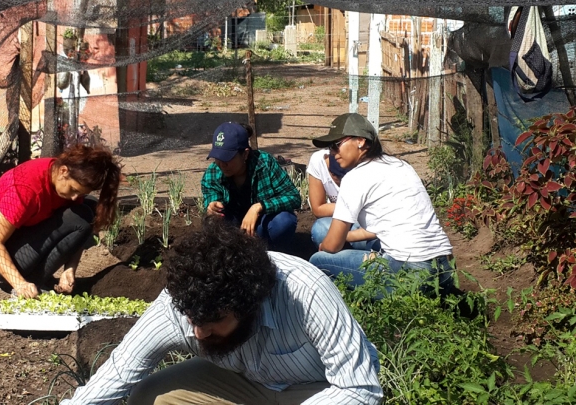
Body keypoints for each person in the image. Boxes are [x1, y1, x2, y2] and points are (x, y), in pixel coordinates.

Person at [62, 216, 383, 404]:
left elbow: (360, 387)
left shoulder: (305, 291)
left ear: (250, 303)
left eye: (214, 321)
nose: (198, 332)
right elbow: (121, 370)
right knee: (151, 396)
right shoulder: (181, 304)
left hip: (315, 391)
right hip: (242, 381)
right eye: (192, 319)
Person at [308, 113, 455, 291]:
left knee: (318, 261)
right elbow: (380, 227)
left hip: (412, 273)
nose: (332, 153)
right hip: (445, 268)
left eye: (336, 145)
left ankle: (355, 309)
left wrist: (326, 245)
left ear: (360, 141)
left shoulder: (355, 177)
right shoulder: (401, 166)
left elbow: (332, 246)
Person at [0, 144, 121, 298]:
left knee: (89, 206)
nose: (74, 197)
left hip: (20, 237)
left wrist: (69, 269)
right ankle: (33, 281)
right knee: (81, 215)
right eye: (73, 190)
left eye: (78, 193)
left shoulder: (59, 174)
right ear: (63, 171)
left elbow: (79, 229)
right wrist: (19, 283)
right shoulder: (26, 188)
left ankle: (35, 277)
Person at [202, 122, 300, 250]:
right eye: (217, 158)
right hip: (233, 230)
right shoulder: (213, 172)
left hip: (261, 227)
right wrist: (212, 206)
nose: (221, 164)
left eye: (227, 158)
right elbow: (212, 199)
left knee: (284, 221)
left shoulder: (265, 163)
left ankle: (273, 253)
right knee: (211, 223)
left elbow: (293, 197)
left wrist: (259, 207)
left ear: (245, 154)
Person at [306, 142, 380, 251]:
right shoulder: (319, 160)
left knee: (373, 242)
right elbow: (318, 209)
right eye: (335, 176)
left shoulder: (369, 169)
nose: (338, 181)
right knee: (320, 230)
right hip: (342, 219)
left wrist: (341, 238)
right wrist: (352, 207)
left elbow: (378, 224)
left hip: (367, 223)